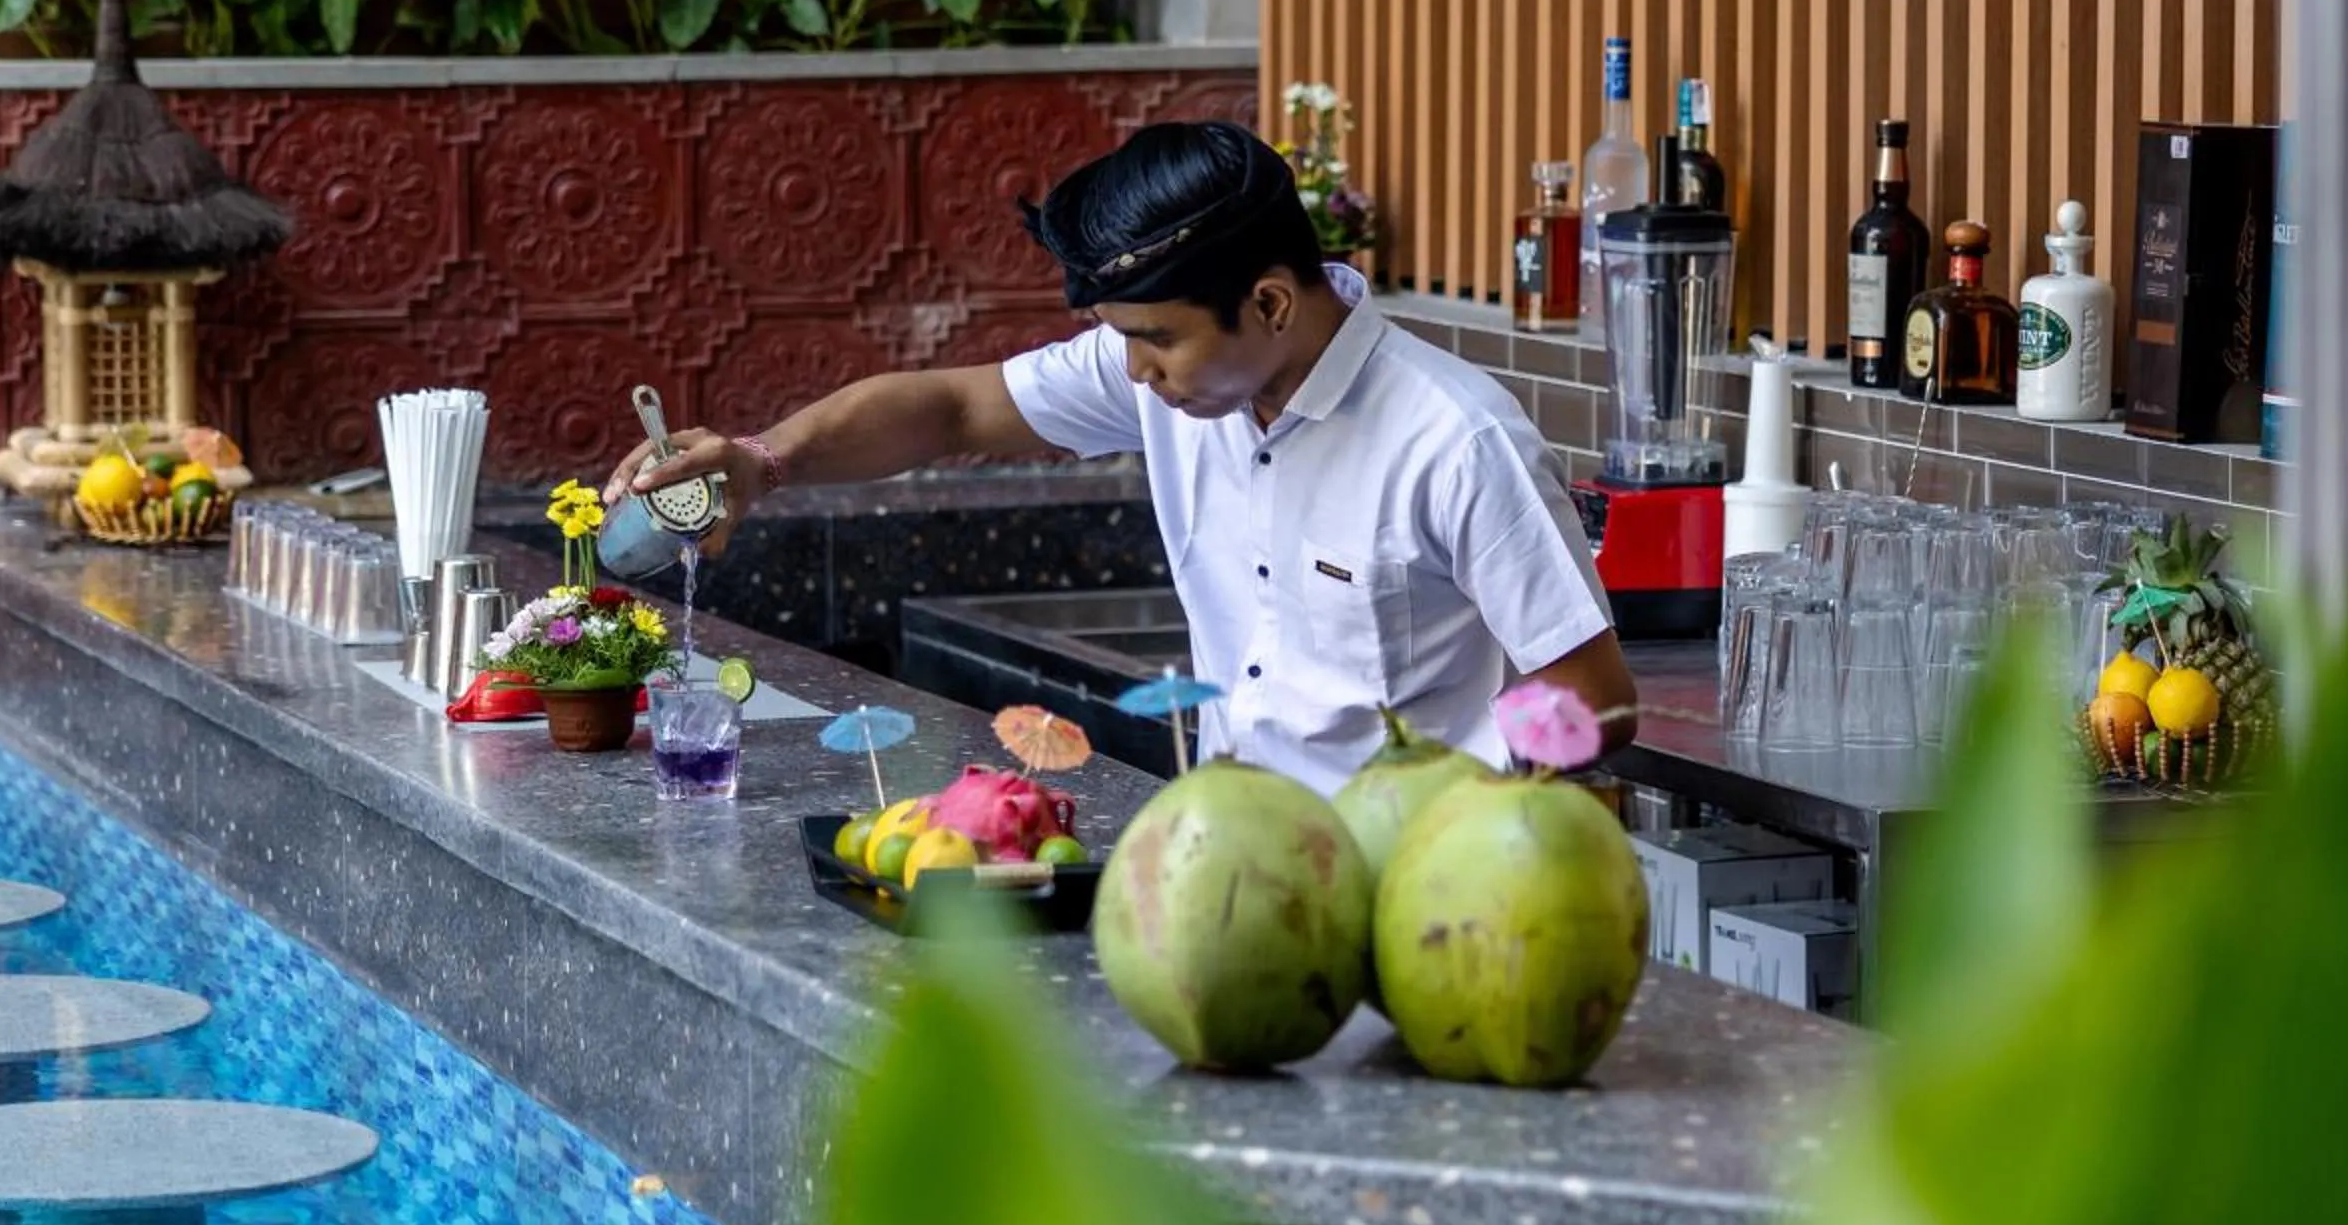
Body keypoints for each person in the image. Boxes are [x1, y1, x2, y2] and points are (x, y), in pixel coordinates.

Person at [606, 120, 1636, 793]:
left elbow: (1596, 696)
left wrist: (1468, 848)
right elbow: (952, 410)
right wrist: (761, 459)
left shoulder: (1456, 440)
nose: (1132, 372)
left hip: (1422, 899)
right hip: (1238, 869)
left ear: (1271, 300)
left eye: (1154, 338)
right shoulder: (1185, 373)